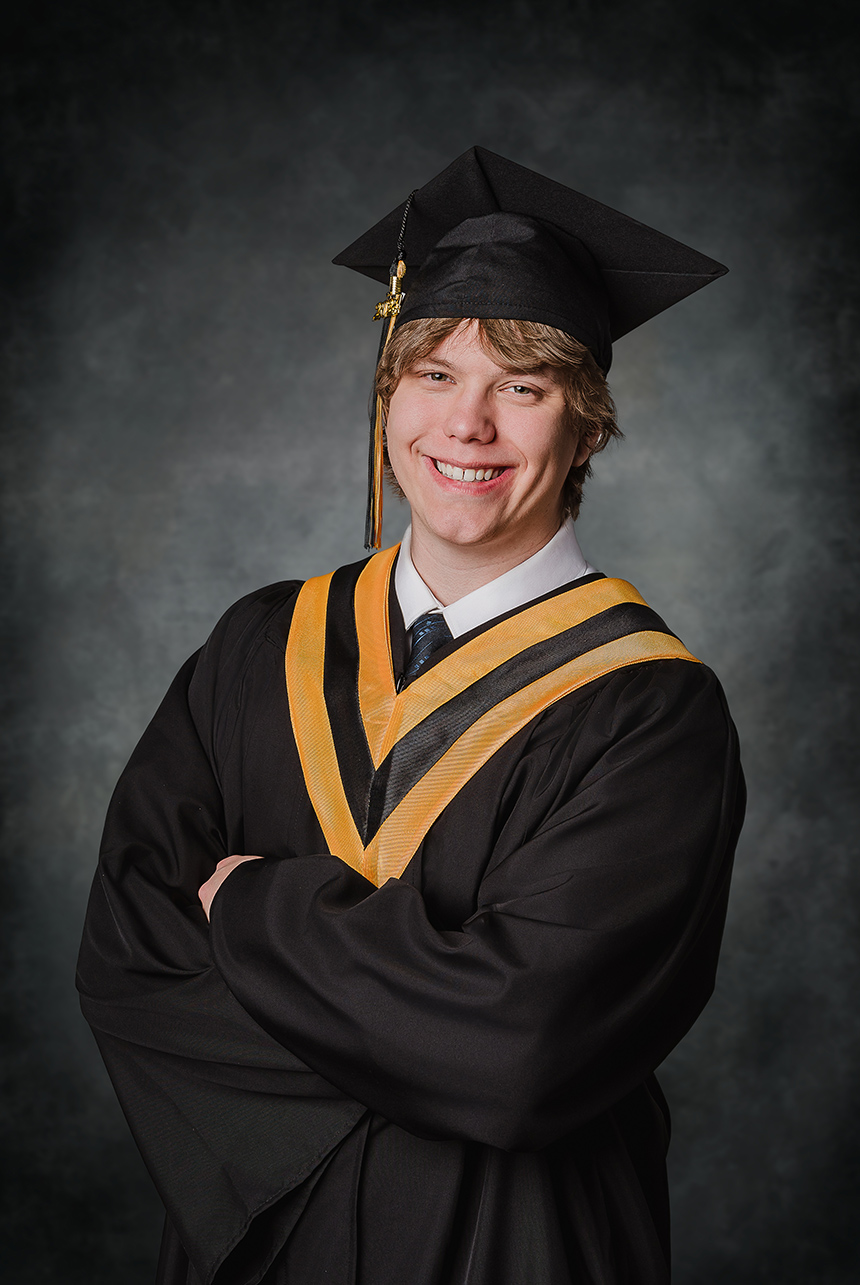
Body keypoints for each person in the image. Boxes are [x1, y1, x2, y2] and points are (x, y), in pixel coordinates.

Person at [77, 146, 745, 1285]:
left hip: (520, 1248)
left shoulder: (649, 710)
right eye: (432, 373)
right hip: (262, 1247)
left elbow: (523, 1050)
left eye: (520, 388)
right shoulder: (257, 645)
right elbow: (128, 961)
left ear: (584, 429)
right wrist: (423, 1014)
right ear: (388, 397)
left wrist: (250, 902)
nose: (466, 425)